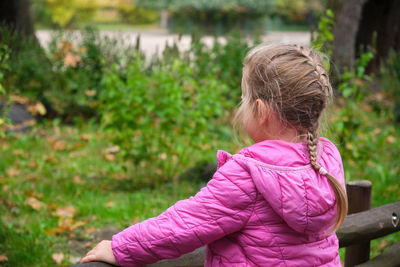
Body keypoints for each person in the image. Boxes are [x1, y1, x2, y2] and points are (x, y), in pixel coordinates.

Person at [81, 44, 348, 266]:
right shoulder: (325, 161)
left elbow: (184, 224)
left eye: (243, 97)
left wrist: (120, 248)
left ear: (261, 110)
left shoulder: (249, 175)